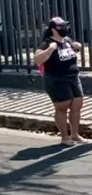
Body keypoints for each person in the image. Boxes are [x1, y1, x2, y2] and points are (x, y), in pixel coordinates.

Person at [34, 17, 85, 146]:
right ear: (53, 29)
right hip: (56, 79)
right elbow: (37, 59)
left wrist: (78, 47)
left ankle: (75, 134)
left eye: (65, 26)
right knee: (62, 107)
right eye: (61, 27)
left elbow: (73, 51)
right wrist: (50, 49)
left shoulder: (67, 40)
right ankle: (64, 137)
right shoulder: (47, 43)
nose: (65, 29)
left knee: (77, 105)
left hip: (73, 77)